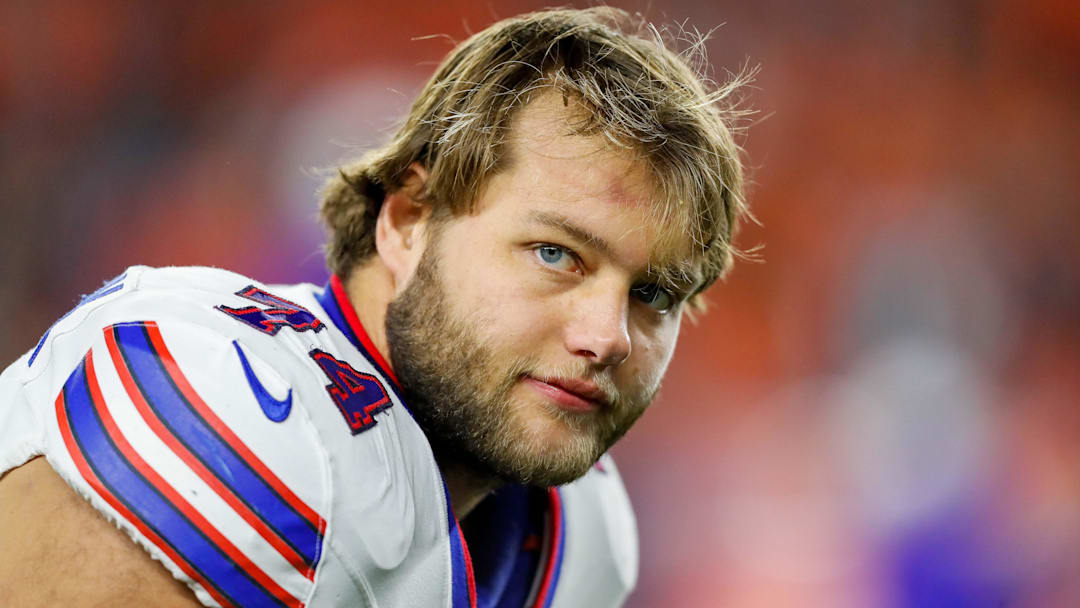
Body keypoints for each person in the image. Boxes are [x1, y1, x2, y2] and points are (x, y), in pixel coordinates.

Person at [0, 7, 749, 607]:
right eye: (556, 254)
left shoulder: (583, 539)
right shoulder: (227, 401)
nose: (607, 336)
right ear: (409, 219)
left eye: (653, 294)